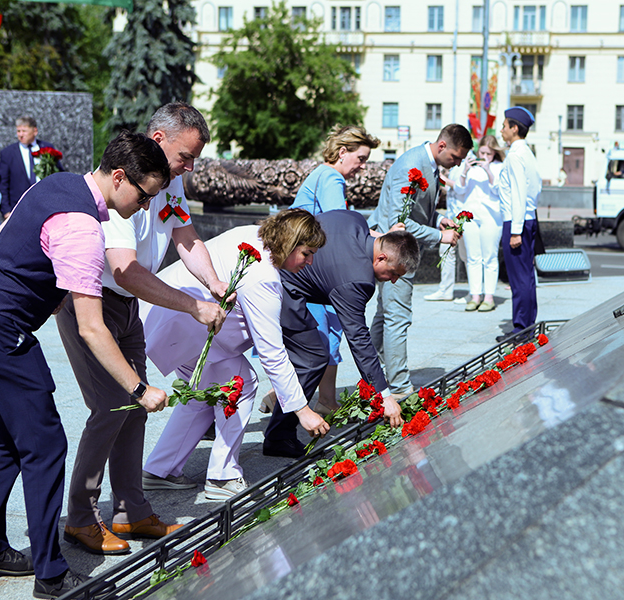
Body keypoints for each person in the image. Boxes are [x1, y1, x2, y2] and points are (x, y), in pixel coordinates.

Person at [0, 131, 170, 600]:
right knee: (46, 445)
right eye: (144, 195)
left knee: (12, 439)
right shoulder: (83, 226)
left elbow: (13, 246)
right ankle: (51, 576)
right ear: (119, 177)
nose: (145, 207)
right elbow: (91, 328)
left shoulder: (58, 184)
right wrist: (139, 389)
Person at [56, 102, 229, 555]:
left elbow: (186, 237)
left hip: (128, 305)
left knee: (134, 409)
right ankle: (79, 517)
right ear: (159, 139)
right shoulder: (121, 184)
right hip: (93, 304)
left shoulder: (169, 186)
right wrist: (193, 305)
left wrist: (214, 283)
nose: (189, 167)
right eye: (186, 157)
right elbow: (126, 269)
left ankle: (130, 509)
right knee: (114, 404)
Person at [140, 210, 330, 499]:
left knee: (203, 395)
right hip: (182, 324)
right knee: (240, 383)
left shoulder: (254, 235)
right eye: (307, 253)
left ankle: (159, 470)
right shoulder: (262, 278)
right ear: (290, 244)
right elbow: (271, 352)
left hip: (170, 317)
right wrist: (302, 411)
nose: (310, 262)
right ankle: (222, 477)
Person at [263, 209, 416, 458]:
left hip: (275, 261)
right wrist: (385, 395)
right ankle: (278, 437)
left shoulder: (354, 219)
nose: (394, 280)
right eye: (394, 273)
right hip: (280, 282)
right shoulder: (358, 281)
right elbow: (359, 340)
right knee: (312, 357)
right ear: (381, 258)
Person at [272, 125, 381, 417]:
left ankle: (306, 397)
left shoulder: (322, 173)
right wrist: (379, 239)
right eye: (360, 158)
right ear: (343, 152)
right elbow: (338, 226)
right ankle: (317, 400)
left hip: (303, 262)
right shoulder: (332, 178)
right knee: (323, 336)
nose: (362, 166)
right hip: (310, 267)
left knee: (317, 336)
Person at [367, 124, 472, 399]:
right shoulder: (411, 166)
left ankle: (372, 378)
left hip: (397, 254)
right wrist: (440, 235)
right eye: (456, 157)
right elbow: (397, 225)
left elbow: (418, 211)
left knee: (385, 315)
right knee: (397, 317)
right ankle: (400, 388)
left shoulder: (429, 164)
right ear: (441, 146)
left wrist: (439, 219)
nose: (458, 163)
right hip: (392, 257)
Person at [497, 106, 542, 343]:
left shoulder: (515, 155)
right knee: (526, 276)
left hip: (517, 221)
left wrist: (515, 230)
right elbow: (536, 188)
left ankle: (521, 329)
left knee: (519, 278)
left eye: (504, 126)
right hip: (527, 219)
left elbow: (518, 193)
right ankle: (526, 326)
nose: (501, 130)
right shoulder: (527, 153)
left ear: (514, 128)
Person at [453, 135, 504, 313]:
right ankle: (475, 295)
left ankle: (488, 296)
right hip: (470, 215)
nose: (484, 156)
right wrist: (465, 170)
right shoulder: (471, 166)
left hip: (492, 215)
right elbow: (459, 190)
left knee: (489, 256)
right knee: (473, 257)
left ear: (494, 153)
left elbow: (498, 189)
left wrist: (489, 170)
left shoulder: (499, 167)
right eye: (482, 152)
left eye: (489, 153)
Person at [424, 154, 473, 303]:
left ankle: (474, 292)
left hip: (464, 217)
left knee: (467, 255)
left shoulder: (470, 161)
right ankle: (446, 290)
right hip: (453, 215)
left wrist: (441, 179)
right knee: (446, 252)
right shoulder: (457, 163)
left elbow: (461, 187)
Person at [0, 116, 63, 217]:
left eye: (24, 131)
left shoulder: (47, 149)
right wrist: (6, 211)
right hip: (19, 207)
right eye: (18, 131)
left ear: (35, 131)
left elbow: (58, 174)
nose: (20, 134)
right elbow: (3, 183)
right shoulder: (8, 153)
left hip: (46, 205)